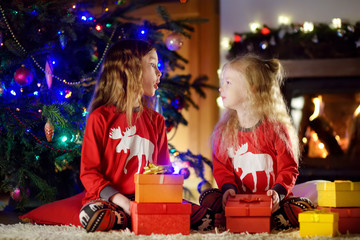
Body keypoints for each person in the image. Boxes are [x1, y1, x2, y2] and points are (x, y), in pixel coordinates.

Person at [199, 54, 314, 230]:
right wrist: (228, 188)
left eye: (228, 83)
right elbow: (222, 167)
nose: (221, 89)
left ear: (250, 88)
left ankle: (266, 219)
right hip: (238, 200)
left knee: (300, 207)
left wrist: (277, 193)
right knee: (207, 196)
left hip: (272, 203)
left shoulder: (275, 128)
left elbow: (288, 168)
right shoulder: (224, 131)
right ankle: (236, 216)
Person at [78, 39, 171, 232]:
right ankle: (129, 218)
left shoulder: (157, 121)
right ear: (131, 69)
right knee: (95, 216)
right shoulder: (100, 118)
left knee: (201, 215)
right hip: (109, 200)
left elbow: (164, 170)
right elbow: (89, 173)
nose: (159, 73)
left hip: (146, 200)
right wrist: (123, 202)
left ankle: (136, 218)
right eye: (153, 65)